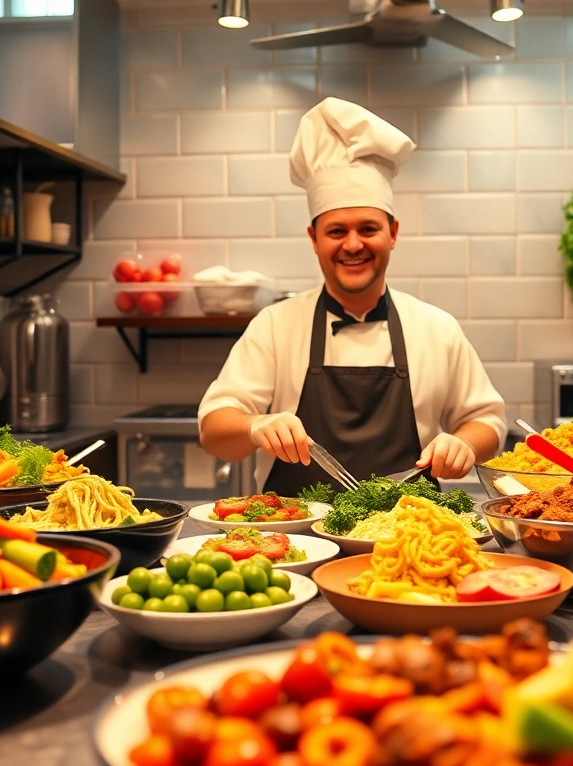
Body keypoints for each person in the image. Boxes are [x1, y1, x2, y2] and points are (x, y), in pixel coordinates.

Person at [198, 97, 506, 495]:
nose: (353, 244)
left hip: (409, 537)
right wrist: (255, 425)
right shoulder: (276, 325)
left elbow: (487, 421)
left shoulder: (435, 327)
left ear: (393, 234)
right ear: (314, 239)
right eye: (337, 231)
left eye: (368, 228)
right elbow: (213, 431)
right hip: (295, 539)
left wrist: (463, 442)